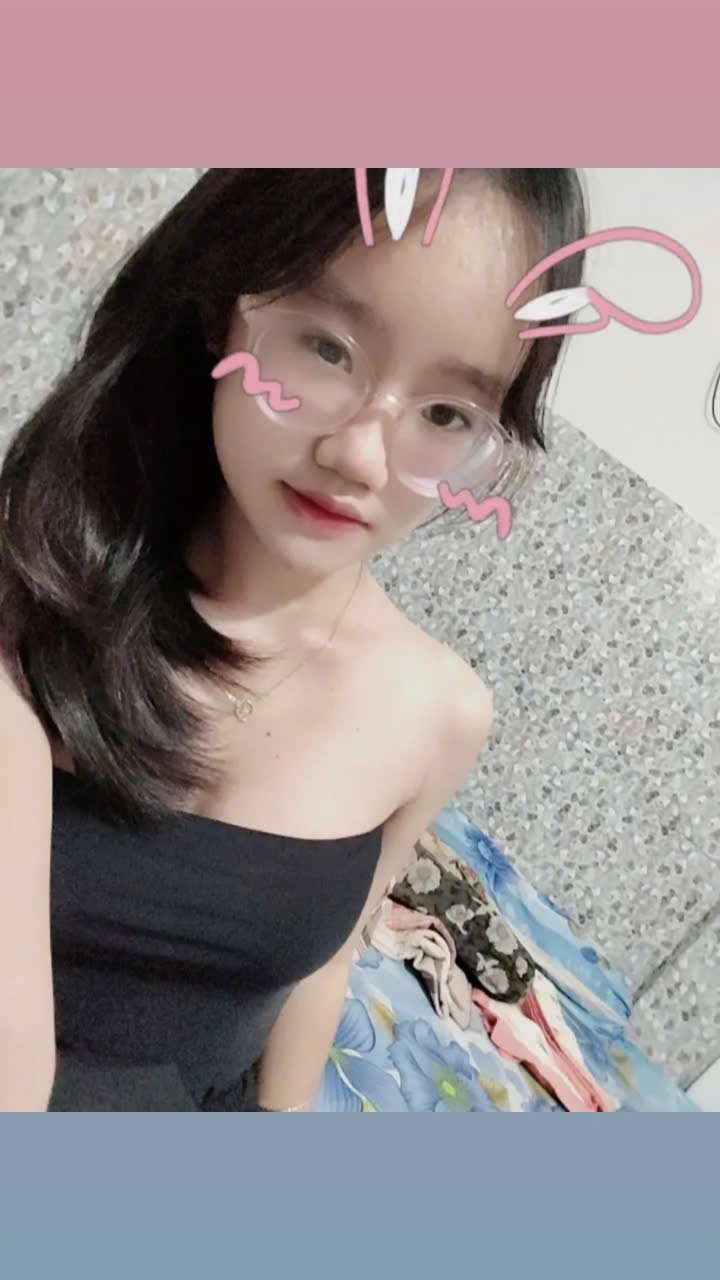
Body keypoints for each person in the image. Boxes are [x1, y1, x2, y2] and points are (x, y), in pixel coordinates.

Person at [0, 168, 587, 1111]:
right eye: (325, 347)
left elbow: (318, 972)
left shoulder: (442, 714)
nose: (358, 456)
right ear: (220, 310)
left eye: (445, 414)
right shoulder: (37, 597)